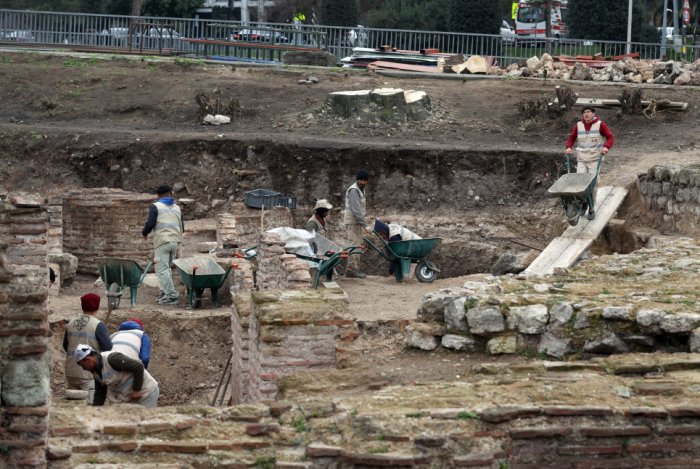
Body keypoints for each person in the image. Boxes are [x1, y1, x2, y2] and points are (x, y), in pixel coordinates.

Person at [565, 106, 615, 220]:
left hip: (594, 159)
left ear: (593, 114)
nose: (586, 114)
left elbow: (610, 137)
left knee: (592, 185)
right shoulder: (579, 125)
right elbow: (572, 137)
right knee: (581, 184)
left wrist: (606, 147)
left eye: (588, 112)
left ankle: (591, 209)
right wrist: (568, 147)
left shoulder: (600, 125)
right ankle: (583, 204)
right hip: (582, 159)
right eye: (584, 113)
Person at [74, 343, 160, 407]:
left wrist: (136, 390)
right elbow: (100, 394)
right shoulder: (95, 371)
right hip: (129, 398)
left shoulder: (111, 359)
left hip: (146, 392)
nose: (83, 368)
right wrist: (95, 412)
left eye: (82, 365)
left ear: (88, 360)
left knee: (146, 424)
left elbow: (138, 366)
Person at [63, 293, 112, 402]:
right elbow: (108, 349)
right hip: (88, 373)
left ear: (82, 306)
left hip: (71, 371)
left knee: (73, 405)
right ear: (97, 307)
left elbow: (66, 346)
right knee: (90, 406)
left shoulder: (71, 323)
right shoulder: (98, 325)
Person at [142, 184, 183, 305]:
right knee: (167, 269)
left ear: (158, 195)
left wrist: (144, 233)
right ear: (170, 193)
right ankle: (165, 292)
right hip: (174, 241)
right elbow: (182, 225)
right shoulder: (177, 208)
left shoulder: (156, 206)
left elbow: (150, 224)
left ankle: (171, 296)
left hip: (162, 241)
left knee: (162, 270)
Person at [343, 170, 369, 278]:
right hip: (353, 222)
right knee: (354, 246)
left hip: (356, 222)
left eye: (364, 180)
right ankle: (351, 271)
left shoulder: (360, 190)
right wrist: (364, 224)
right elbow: (356, 210)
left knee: (357, 246)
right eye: (361, 180)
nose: (362, 182)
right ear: (357, 180)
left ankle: (354, 269)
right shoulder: (354, 191)